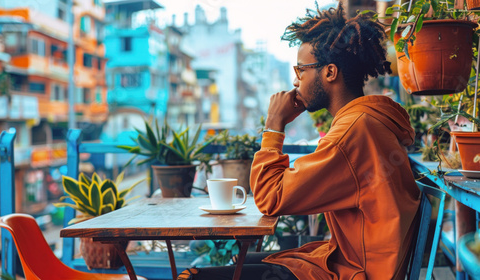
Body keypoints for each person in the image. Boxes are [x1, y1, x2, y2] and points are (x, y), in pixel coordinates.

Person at [178, 3, 420, 280]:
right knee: (249, 260)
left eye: (301, 70)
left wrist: (274, 125)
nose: (295, 81)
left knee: (192, 276)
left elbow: (271, 198)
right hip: (354, 261)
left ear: (330, 72)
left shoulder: (353, 131)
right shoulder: (367, 121)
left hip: (354, 272)